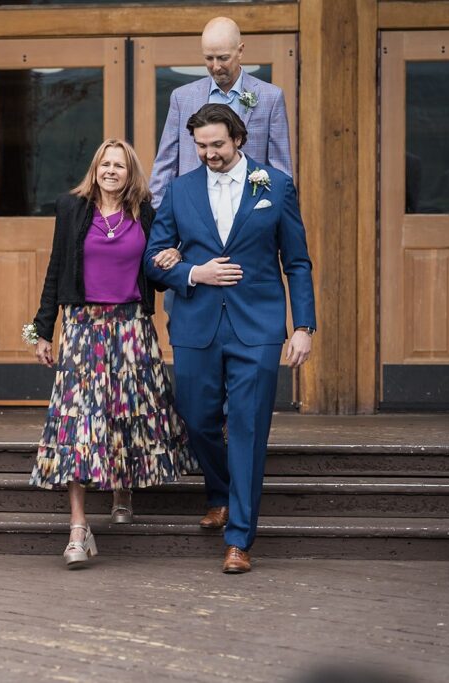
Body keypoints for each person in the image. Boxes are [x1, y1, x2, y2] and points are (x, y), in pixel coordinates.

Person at [143, 104, 316, 574]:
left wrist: (303, 326)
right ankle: (219, 491)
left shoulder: (274, 186)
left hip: (257, 327)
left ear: (238, 138)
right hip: (197, 323)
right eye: (201, 146)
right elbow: (153, 258)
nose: (209, 154)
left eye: (217, 144)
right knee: (197, 420)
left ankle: (239, 537)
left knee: (247, 426)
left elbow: (297, 261)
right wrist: (192, 271)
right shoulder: (179, 191)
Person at [29, 138, 196, 569]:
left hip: (132, 330)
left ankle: (123, 490)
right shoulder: (71, 209)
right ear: (95, 168)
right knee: (78, 427)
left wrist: (172, 257)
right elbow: (55, 270)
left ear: (130, 172)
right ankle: (78, 530)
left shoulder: (147, 214)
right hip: (83, 330)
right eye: (105, 164)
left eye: (119, 165)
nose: (111, 171)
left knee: (126, 415)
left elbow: (157, 277)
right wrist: (42, 331)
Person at [149, 16, 292, 209]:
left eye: (223, 58)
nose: (215, 66)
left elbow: (280, 167)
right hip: (194, 209)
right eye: (209, 58)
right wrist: (158, 215)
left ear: (240, 50)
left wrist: (276, 216)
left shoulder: (270, 97)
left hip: (249, 210)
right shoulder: (182, 98)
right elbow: (166, 163)